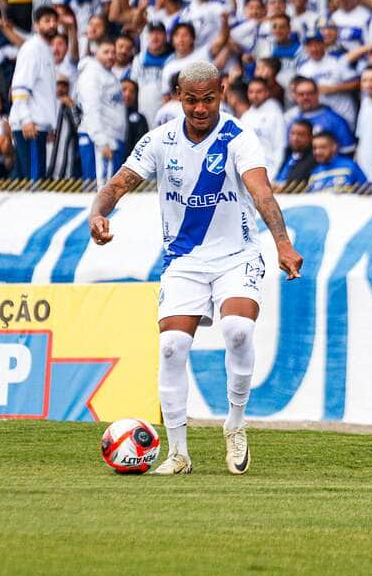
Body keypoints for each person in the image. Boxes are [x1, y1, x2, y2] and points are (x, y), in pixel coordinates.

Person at [89, 60, 303, 476]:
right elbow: (117, 184)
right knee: (171, 348)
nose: (200, 109)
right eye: (191, 100)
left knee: (238, 331)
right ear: (178, 97)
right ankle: (179, 453)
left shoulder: (239, 138)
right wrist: (97, 214)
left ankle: (236, 423)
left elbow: (262, 193)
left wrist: (282, 242)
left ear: (221, 93)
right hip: (184, 260)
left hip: (237, 255)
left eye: (208, 99)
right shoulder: (160, 141)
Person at [9, 6, 59, 180]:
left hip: (40, 125)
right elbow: (20, 87)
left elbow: (45, 92)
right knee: (34, 182)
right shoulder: (32, 48)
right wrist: (25, 119)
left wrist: (50, 124)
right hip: (30, 126)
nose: (52, 24)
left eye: (54, 21)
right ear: (36, 25)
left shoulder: (46, 49)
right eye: (47, 21)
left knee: (36, 179)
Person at [77, 36, 127, 183]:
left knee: (109, 194)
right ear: (95, 52)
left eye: (113, 52)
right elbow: (91, 109)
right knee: (101, 193)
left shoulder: (109, 75)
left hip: (112, 139)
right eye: (106, 52)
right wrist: (101, 141)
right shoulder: (92, 74)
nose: (111, 56)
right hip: (100, 142)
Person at [239, 77, 286, 179]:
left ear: (267, 92)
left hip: (270, 170)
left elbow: (280, 146)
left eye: (258, 92)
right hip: (248, 168)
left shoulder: (275, 114)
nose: (254, 95)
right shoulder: (245, 117)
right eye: (251, 92)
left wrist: (275, 174)